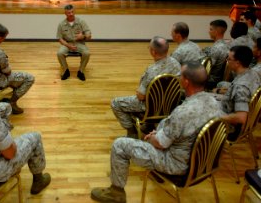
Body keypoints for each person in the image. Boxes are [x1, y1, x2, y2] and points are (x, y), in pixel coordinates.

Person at [90, 62, 225, 203]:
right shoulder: (215, 103)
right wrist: (160, 131)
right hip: (204, 164)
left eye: (180, 76)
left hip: (177, 165)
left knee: (119, 145)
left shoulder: (183, 112)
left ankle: (116, 193)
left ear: (185, 82)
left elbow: (160, 143)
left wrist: (151, 138)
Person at [111, 36, 181, 138]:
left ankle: (133, 132)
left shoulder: (152, 70)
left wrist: (138, 92)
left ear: (153, 52)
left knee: (115, 103)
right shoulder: (176, 64)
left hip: (150, 107)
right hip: (171, 105)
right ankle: (149, 126)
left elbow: (141, 96)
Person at [216, 46, 261, 139]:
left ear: (237, 63)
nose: (226, 61)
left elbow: (241, 118)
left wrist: (216, 118)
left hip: (230, 127)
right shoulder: (252, 73)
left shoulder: (241, 87)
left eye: (229, 59)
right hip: (229, 109)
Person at [56, 4, 92, 81]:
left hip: (79, 43)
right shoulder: (61, 24)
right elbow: (60, 38)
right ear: (65, 14)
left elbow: (89, 35)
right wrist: (68, 46)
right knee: (60, 53)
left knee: (87, 53)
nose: (71, 14)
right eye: (69, 13)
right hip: (67, 43)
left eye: (72, 12)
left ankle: (81, 71)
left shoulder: (81, 22)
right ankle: (66, 71)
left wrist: (83, 36)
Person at [202, 19, 229, 89]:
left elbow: (206, 68)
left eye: (211, 29)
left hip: (211, 80)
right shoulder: (226, 45)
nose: (209, 32)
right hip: (219, 78)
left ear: (216, 32)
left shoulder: (216, 48)